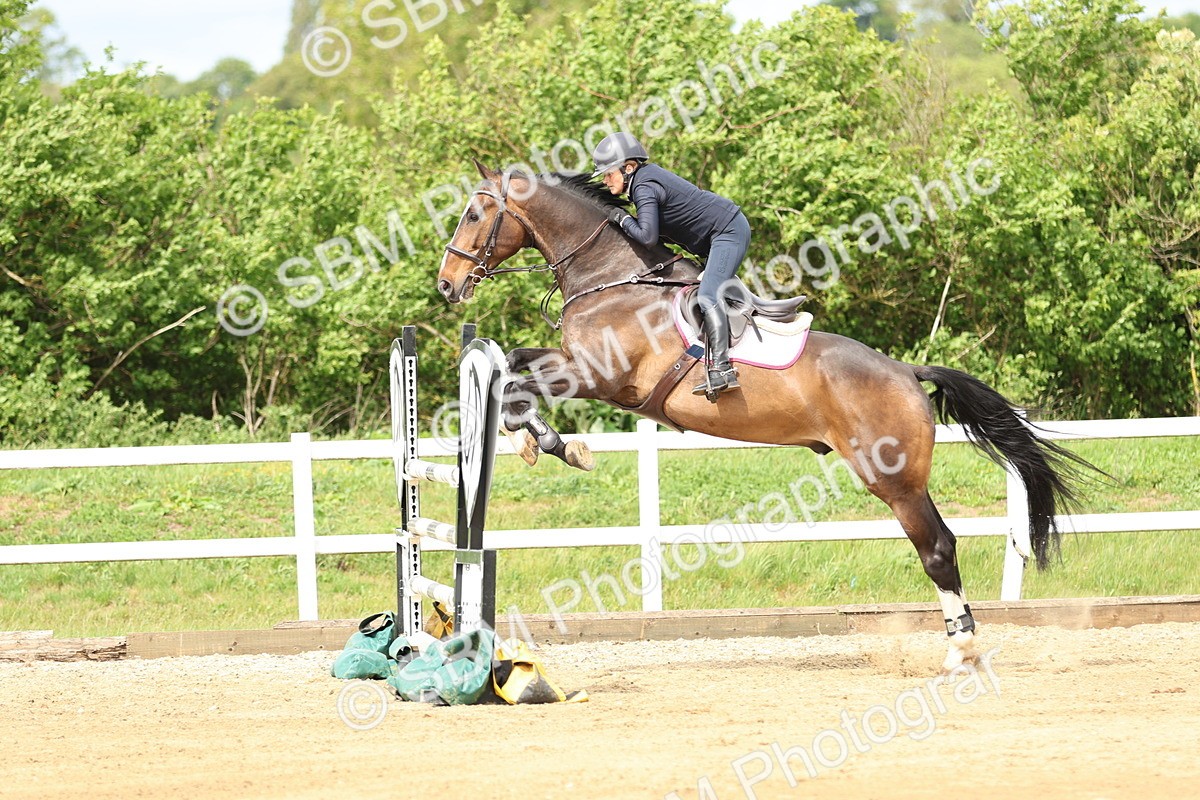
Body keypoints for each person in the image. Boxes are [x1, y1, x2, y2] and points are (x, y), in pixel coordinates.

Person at [590, 131, 750, 400]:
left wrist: (621, 219)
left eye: (608, 173)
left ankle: (722, 369)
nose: (605, 180)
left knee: (708, 295)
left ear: (628, 168)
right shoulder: (642, 181)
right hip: (717, 237)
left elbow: (647, 237)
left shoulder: (643, 186)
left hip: (727, 231)